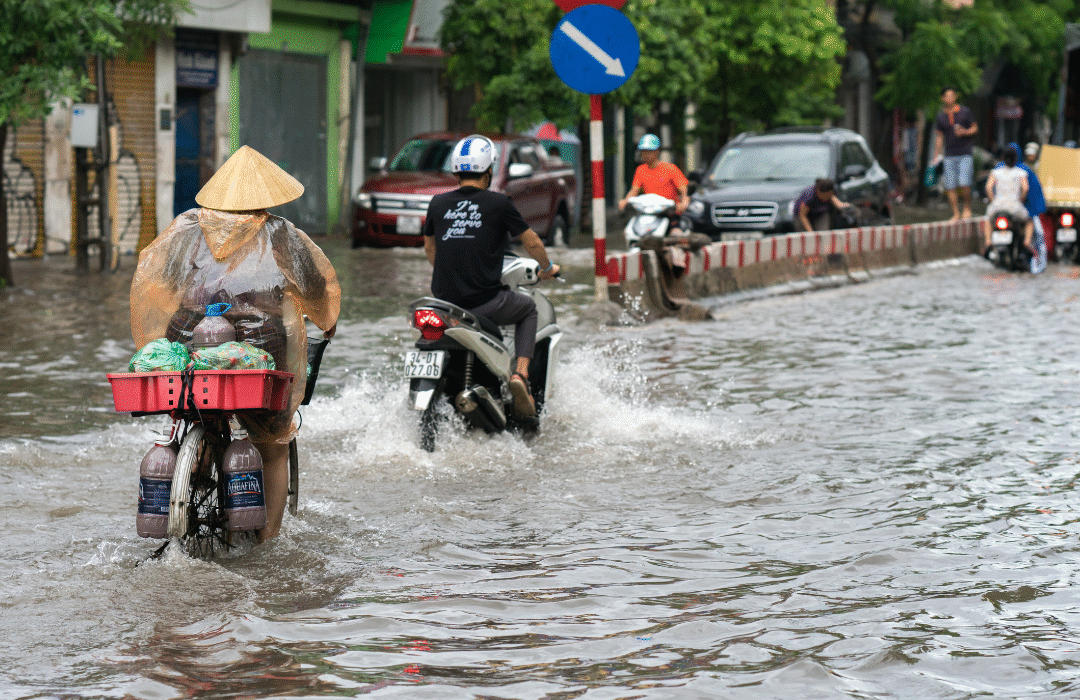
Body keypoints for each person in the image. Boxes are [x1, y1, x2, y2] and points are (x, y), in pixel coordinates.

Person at [129, 145, 341, 542]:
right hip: (258, 349)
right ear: (266, 197)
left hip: (188, 343)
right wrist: (325, 322)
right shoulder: (281, 233)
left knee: (201, 407)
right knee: (273, 440)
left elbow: (159, 284)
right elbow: (316, 289)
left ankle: (196, 466)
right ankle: (268, 540)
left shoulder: (186, 229)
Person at [422, 134, 560, 418]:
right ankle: (520, 375)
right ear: (488, 172)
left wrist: (448, 273)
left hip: (445, 303)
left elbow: (430, 246)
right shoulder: (499, 203)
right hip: (484, 303)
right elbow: (532, 240)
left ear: (456, 171)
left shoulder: (437, 203)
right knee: (528, 309)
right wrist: (547, 269)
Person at [618, 134, 691, 234]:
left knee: (676, 233)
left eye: (649, 151)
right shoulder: (641, 170)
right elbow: (634, 190)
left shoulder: (670, 168)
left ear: (657, 152)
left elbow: (683, 190)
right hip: (648, 213)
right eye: (643, 151)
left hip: (669, 212)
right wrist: (625, 201)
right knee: (630, 231)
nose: (645, 154)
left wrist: (684, 202)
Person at [932, 87, 979, 221]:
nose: (949, 98)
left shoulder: (965, 112)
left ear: (956, 97)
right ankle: (955, 213)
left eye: (952, 95)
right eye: (946, 96)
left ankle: (967, 207)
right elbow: (939, 137)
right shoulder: (941, 117)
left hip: (965, 153)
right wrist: (936, 154)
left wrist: (965, 132)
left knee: (965, 182)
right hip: (949, 154)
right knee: (950, 185)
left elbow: (975, 128)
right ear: (943, 98)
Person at [984, 144, 1033, 255]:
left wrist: (993, 200)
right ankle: (1027, 242)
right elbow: (1025, 188)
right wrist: (1021, 199)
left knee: (987, 220)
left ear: (1003, 158)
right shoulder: (1021, 172)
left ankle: (987, 242)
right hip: (1015, 207)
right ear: (1016, 158)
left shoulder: (995, 172)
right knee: (1029, 222)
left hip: (997, 206)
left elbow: (988, 187)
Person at [1008, 141, 1048, 272]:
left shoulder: (999, 169)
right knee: (1038, 234)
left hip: (1004, 210)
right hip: (1023, 211)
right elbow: (1031, 192)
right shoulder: (1025, 171)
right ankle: (1039, 261)